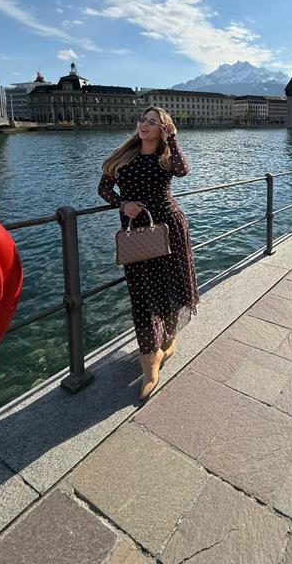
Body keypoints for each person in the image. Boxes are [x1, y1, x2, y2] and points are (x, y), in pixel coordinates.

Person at [98, 107, 199, 401]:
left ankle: (168, 337)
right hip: (136, 235)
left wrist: (173, 138)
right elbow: (103, 189)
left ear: (163, 129)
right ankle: (149, 360)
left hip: (168, 229)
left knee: (170, 288)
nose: (145, 125)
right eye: (143, 120)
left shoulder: (166, 157)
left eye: (153, 122)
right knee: (142, 295)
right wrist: (122, 204)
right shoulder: (123, 157)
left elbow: (183, 169)